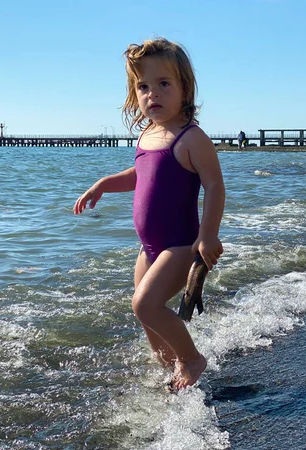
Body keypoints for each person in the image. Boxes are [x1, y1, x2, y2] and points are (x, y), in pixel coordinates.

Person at [73, 38, 225, 390]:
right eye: (143, 86)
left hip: (180, 245)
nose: (151, 94)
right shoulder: (147, 135)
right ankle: (169, 367)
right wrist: (102, 184)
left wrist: (207, 235)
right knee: (144, 311)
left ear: (185, 88)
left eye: (163, 84)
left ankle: (191, 359)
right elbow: (138, 176)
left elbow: (214, 186)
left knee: (145, 305)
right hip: (149, 248)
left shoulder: (191, 138)